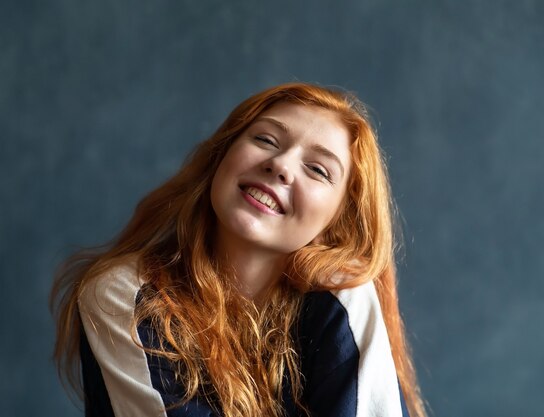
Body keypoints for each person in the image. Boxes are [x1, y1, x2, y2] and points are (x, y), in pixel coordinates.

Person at [50, 82, 428, 417]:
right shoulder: (124, 295)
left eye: (317, 169)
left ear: (338, 221)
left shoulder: (341, 298)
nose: (280, 164)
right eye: (265, 140)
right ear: (221, 157)